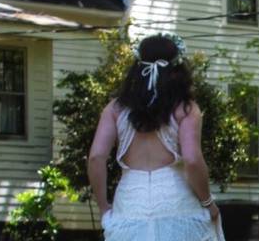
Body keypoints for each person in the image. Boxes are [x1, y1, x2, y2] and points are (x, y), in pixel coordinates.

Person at [87, 33, 224, 240]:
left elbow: (96, 157)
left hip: (129, 206)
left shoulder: (115, 109)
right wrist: (208, 204)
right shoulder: (186, 109)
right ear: (176, 68)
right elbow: (192, 160)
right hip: (178, 206)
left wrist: (103, 207)